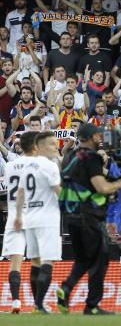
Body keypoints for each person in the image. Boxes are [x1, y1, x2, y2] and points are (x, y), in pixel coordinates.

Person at [56, 124, 121, 315]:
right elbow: (101, 187)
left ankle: (65, 289)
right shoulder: (93, 157)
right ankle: (92, 305)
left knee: (82, 260)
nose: (100, 137)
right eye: (97, 135)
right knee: (100, 260)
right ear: (90, 137)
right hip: (90, 217)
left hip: (70, 217)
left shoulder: (70, 156)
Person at [13, 131, 62, 314]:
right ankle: (39, 305)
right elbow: (58, 191)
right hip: (48, 218)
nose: (55, 147)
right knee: (48, 261)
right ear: (39, 146)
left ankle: (36, 304)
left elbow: (20, 193)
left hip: (30, 217)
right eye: (51, 144)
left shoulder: (27, 167)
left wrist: (18, 216)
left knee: (35, 262)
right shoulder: (50, 166)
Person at [1, 132, 32, 314]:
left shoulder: (9, 166)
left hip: (14, 216)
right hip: (34, 214)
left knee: (15, 262)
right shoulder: (36, 165)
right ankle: (40, 303)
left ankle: (16, 301)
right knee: (39, 260)